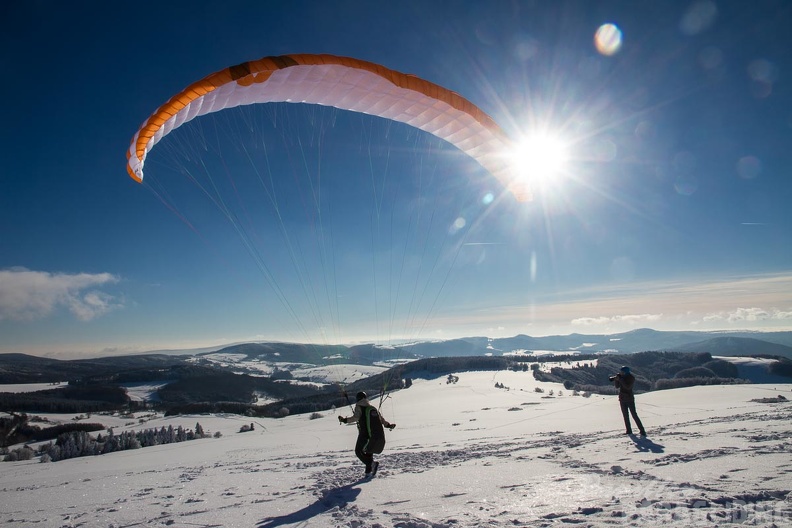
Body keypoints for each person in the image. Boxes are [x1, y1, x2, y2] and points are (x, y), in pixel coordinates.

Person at [338, 391, 395, 477]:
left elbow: (356, 417)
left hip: (364, 433)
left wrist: (344, 420)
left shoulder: (359, 406)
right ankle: (368, 473)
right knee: (368, 452)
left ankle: (372, 464)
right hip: (371, 434)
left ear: (358, 399)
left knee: (358, 451)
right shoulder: (371, 408)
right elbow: (381, 420)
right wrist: (388, 425)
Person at [611, 366, 646, 437]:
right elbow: (617, 387)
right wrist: (616, 380)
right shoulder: (622, 378)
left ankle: (642, 430)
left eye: (622, 372)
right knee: (625, 416)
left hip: (629, 399)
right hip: (622, 399)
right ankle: (629, 430)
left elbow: (627, 387)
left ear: (626, 372)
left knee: (634, 415)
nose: (621, 373)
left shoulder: (631, 378)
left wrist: (620, 379)